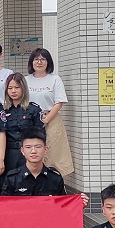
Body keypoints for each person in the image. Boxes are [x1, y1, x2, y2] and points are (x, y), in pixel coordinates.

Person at [1, 128, 89, 206]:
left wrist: (77, 204)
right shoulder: (12, 178)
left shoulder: (55, 178)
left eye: (38, 147)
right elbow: (4, 207)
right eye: (28, 147)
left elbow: (63, 206)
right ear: (22, 151)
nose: (33, 151)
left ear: (45, 150)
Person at [26, 48, 73, 176]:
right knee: (33, 150)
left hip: (51, 118)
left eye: (43, 59)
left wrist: (46, 119)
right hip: (30, 120)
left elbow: (59, 102)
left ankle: (54, 180)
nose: (39, 62)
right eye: (36, 59)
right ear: (31, 62)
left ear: (48, 62)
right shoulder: (25, 80)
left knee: (53, 152)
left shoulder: (55, 79)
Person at [2, 72, 44, 172]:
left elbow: (40, 135)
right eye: (10, 88)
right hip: (9, 153)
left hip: (28, 153)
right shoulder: (3, 111)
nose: (13, 91)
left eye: (17, 87)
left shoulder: (34, 110)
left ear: (23, 88)